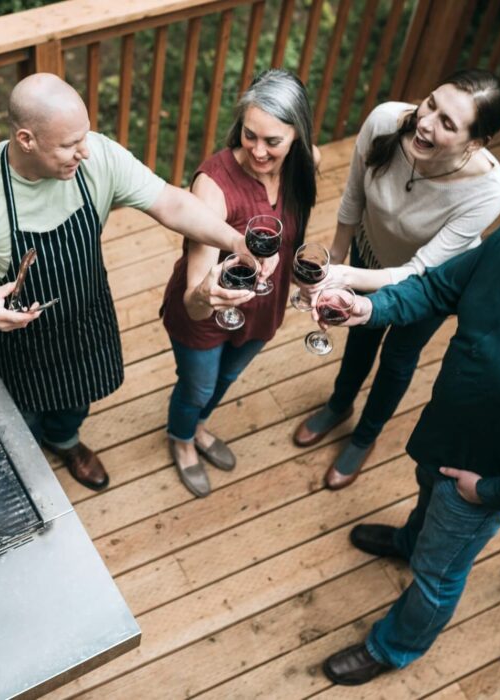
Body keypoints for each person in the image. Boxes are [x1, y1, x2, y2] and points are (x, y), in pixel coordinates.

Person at [0, 73, 273, 493]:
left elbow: (172, 202)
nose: (84, 152)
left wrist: (236, 241)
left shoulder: (97, 158)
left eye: (85, 137)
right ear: (26, 140)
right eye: (69, 145)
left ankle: (66, 441)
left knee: (78, 398)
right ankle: (25, 464)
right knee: (22, 415)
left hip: (87, 309)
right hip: (20, 330)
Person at [321, 216, 500, 685]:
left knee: (439, 573)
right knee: (427, 496)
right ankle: (410, 541)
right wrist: (367, 310)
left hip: (487, 476)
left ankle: (394, 646)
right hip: (445, 430)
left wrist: (489, 490)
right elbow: (434, 290)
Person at [292, 69, 500, 490]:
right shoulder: (385, 121)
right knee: (358, 335)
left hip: (431, 284)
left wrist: (344, 275)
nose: (425, 122)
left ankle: (365, 436)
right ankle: (339, 405)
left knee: (397, 358)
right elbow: (353, 195)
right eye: (431, 103)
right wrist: (336, 258)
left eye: (448, 123)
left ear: (476, 143)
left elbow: (419, 271)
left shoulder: (490, 190)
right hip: (366, 252)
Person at [161, 69, 317, 497]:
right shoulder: (212, 186)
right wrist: (206, 293)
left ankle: (199, 426)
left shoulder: (305, 166)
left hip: (265, 305)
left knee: (225, 381)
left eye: (273, 141)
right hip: (209, 310)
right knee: (199, 386)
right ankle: (182, 437)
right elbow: (195, 298)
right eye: (250, 135)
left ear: (297, 137)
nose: (258, 152)